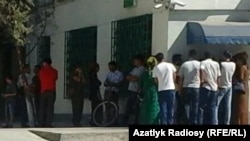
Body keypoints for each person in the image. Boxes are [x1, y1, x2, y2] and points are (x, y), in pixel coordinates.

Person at [153, 53, 176, 125]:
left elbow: (155, 80)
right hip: (171, 88)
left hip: (161, 89)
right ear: (163, 58)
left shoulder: (156, 68)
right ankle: (170, 123)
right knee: (171, 108)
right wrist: (172, 82)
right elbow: (174, 75)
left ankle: (164, 123)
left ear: (156, 60)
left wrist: (160, 83)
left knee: (163, 108)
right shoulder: (170, 65)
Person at [178, 49, 200, 125]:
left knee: (186, 105)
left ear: (189, 55)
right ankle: (194, 121)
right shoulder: (199, 64)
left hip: (186, 87)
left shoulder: (184, 64)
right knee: (195, 105)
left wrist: (180, 88)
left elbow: (180, 78)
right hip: (196, 87)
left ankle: (187, 121)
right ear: (195, 56)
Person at [198, 52, 221, 125]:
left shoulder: (203, 63)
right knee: (212, 107)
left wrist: (201, 82)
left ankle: (201, 122)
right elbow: (218, 76)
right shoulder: (216, 64)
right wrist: (218, 86)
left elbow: (201, 71)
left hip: (206, 86)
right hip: (214, 87)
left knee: (201, 107)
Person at [123, 55, 145, 125]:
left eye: (135, 60)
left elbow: (136, 79)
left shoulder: (142, 69)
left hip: (136, 90)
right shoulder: (135, 69)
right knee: (128, 106)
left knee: (136, 107)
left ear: (139, 61)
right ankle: (126, 121)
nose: (134, 62)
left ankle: (136, 122)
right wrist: (132, 77)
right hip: (131, 89)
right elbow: (128, 77)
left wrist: (132, 78)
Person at [138, 56, 160, 124]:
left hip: (146, 91)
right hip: (154, 91)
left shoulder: (145, 73)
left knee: (145, 106)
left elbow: (140, 83)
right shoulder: (156, 72)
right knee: (154, 106)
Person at [216, 51, 235, 125]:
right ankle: (227, 122)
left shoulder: (222, 64)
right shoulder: (233, 64)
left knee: (216, 104)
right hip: (229, 86)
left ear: (224, 56)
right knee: (228, 105)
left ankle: (216, 121)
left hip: (222, 86)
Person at [39, 58, 58, 127]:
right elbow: (55, 78)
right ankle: (48, 123)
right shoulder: (54, 71)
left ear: (45, 63)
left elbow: (40, 78)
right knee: (50, 108)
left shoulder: (41, 71)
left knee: (42, 107)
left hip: (43, 91)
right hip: (51, 91)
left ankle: (41, 122)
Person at [232, 52, 249, 125]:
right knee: (244, 108)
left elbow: (241, 78)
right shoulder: (247, 67)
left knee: (239, 108)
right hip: (245, 88)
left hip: (240, 90)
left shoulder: (242, 67)